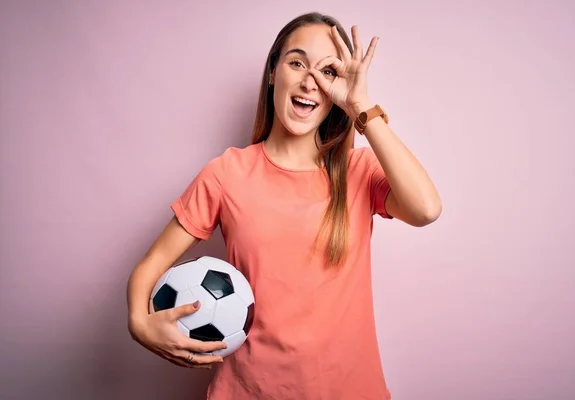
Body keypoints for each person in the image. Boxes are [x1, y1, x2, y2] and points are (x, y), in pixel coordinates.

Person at [126, 11, 442, 400]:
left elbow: (426, 209)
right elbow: (149, 268)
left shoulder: (357, 170)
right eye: (297, 62)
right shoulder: (228, 173)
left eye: (327, 72)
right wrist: (140, 326)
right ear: (274, 72)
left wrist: (361, 107)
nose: (310, 81)